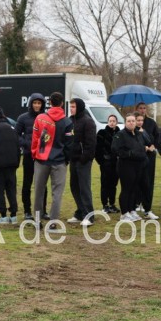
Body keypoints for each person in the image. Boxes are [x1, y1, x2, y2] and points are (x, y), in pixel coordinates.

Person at [31, 92, 74, 228]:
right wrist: (66, 159)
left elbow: (35, 138)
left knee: (38, 191)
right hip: (59, 161)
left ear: (50, 103)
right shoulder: (67, 122)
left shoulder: (40, 118)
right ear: (62, 104)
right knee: (57, 193)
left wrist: (34, 154)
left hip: (41, 160)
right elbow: (69, 143)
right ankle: (53, 222)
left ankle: (37, 220)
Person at [16, 93, 48, 220]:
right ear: (30, 103)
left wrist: (44, 145)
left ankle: (43, 210)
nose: (37, 105)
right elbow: (16, 134)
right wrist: (26, 144)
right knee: (27, 183)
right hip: (29, 155)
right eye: (35, 103)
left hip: (42, 156)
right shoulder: (23, 118)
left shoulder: (46, 117)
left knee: (42, 184)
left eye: (39, 103)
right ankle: (27, 211)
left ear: (42, 104)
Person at [111, 114, 147, 222]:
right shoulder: (120, 135)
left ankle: (131, 210)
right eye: (129, 121)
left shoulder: (138, 134)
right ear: (125, 123)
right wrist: (129, 153)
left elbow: (143, 145)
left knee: (134, 189)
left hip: (138, 165)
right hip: (126, 165)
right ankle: (124, 213)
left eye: (133, 121)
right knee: (126, 189)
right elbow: (115, 149)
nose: (131, 123)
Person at [68, 97, 97, 226]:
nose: (71, 109)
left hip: (83, 160)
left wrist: (84, 157)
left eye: (73, 107)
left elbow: (91, 143)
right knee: (74, 186)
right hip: (73, 159)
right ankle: (80, 212)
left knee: (84, 187)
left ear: (79, 107)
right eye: (70, 106)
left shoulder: (88, 122)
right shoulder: (70, 121)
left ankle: (89, 216)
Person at [134, 113, 159, 220]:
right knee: (135, 185)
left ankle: (147, 209)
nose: (140, 122)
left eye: (141, 120)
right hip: (136, 162)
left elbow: (150, 141)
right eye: (137, 120)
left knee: (147, 184)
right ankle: (133, 206)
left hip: (147, 160)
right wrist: (143, 147)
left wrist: (152, 146)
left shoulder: (143, 130)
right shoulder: (132, 132)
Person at [95, 114, 120, 214]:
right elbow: (97, 148)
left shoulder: (119, 133)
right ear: (108, 121)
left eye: (114, 121)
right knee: (105, 183)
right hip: (106, 162)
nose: (112, 122)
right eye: (110, 121)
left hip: (116, 163)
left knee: (114, 184)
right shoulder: (102, 133)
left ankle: (112, 204)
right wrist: (101, 161)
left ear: (116, 122)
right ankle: (105, 204)